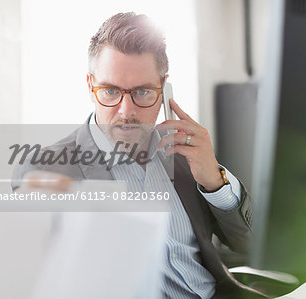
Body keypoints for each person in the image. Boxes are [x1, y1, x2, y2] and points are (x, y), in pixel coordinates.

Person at [13, 12, 262, 298]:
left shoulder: (183, 153)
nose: (126, 112)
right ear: (90, 86)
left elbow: (247, 245)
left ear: (164, 88)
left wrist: (215, 183)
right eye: (109, 91)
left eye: (143, 92)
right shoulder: (48, 170)